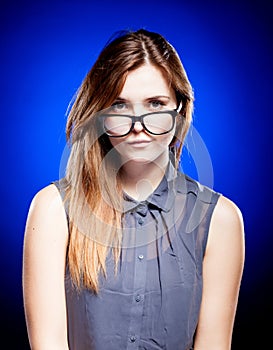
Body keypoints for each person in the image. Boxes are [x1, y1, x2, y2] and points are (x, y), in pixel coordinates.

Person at [23, 29, 245, 350]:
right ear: (99, 114)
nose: (138, 125)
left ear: (180, 110)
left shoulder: (221, 221)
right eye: (120, 105)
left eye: (155, 103)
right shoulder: (53, 211)